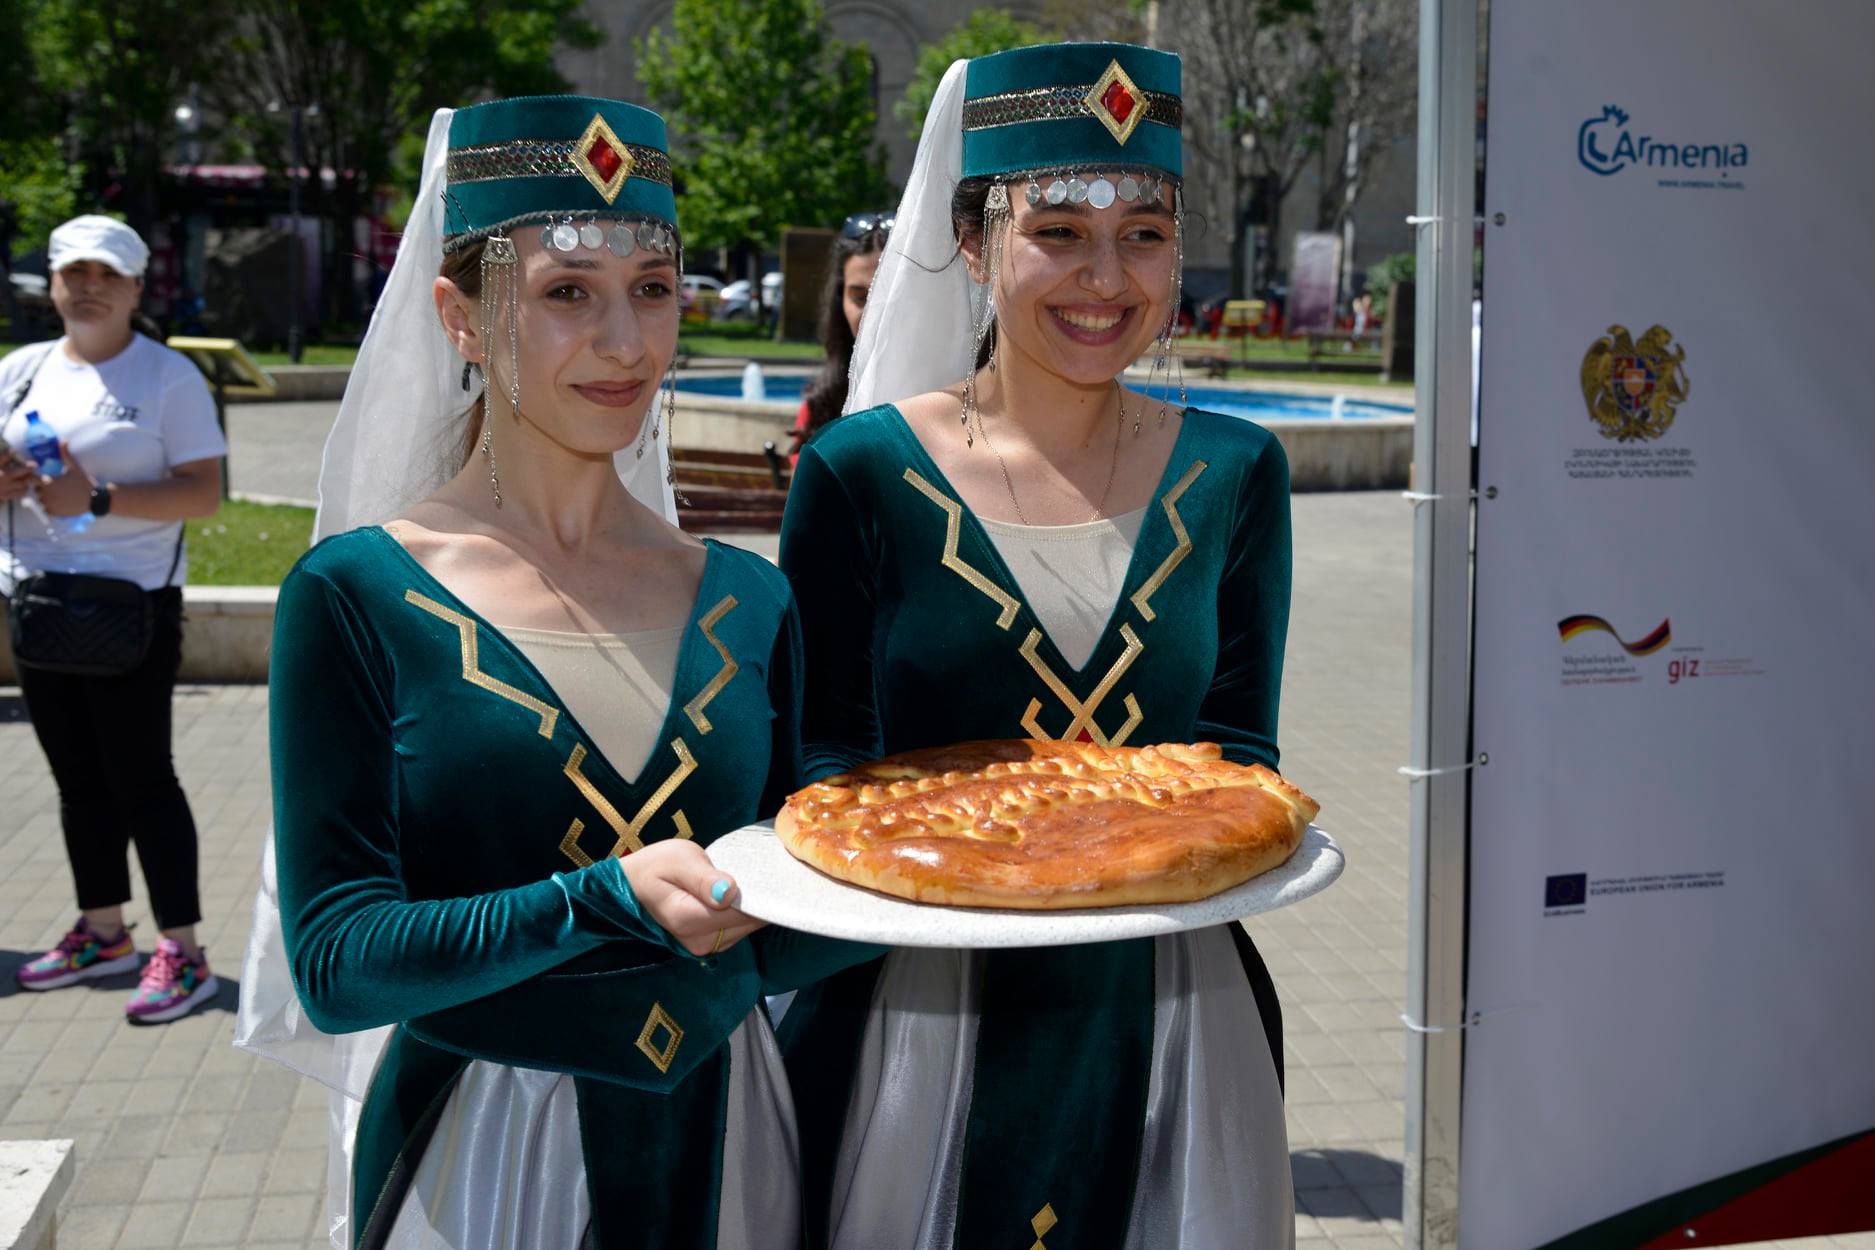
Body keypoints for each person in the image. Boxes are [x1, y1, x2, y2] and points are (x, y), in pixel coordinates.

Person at [259, 97, 875, 1248]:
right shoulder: (358, 596)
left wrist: (962, 866)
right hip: (490, 1150)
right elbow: (338, 963)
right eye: (566, 293)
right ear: (461, 317)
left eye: (653, 287)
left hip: (731, 1134)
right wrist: (596, 901)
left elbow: (816, 902)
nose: (629, 342)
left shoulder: (752, 598)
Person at [776, 44, 1294, 1247]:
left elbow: (1238, 765)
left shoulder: (1237, 473)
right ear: (974, 243)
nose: (1105, 277)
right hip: (915, 1025)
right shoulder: (861, 475)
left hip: (1173, 1008)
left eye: (1147, 234)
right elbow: (820, 768)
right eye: (1056, 230)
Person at [3, 214, 227, 1024]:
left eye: (108, 274)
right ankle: (103, 932)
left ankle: (184, 952)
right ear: (53, 285)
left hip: (132, 608)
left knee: (143, 782)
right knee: (76, 785)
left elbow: (204, 492)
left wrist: (99, 500)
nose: (88, 287)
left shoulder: (166, 378)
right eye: (74, 273)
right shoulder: (21, 370)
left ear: (137, 288)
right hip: (38, 602)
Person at [788, 212, 892, 460]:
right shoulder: (822, 404)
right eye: (859, 297)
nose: (871, 315)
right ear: (840, 300)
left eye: (886, 297)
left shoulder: (956, 401)